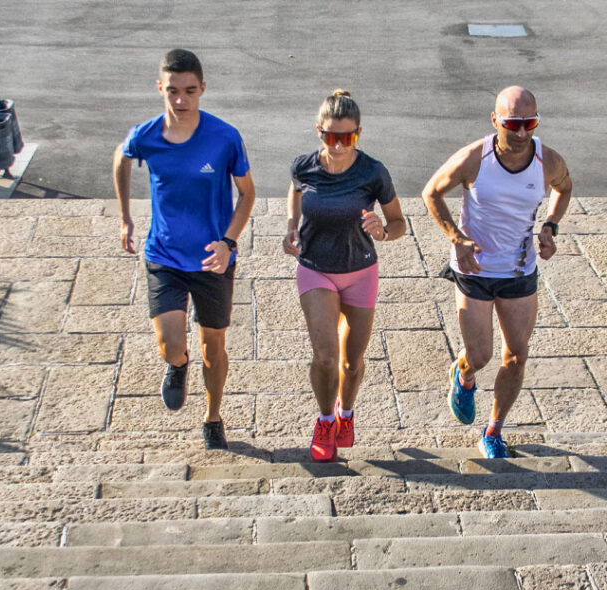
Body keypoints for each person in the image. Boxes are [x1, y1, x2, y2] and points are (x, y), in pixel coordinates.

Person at [112, 48, 255, 450]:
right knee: (170, 344)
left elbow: (246, 195)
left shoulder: (224, 138)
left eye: (190, 90)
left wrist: (229, 243)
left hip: (213, 260)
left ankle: (213, 416)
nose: (181, 100)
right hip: (164, 255)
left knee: (214, 346)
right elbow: (121, 160)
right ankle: (177, 366)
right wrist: (125, 216)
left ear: (202, 90)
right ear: (160, 87)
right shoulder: (146, 136)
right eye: (172, 90)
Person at [422, 86, 572, 459]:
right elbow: (431, 192)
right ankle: (464, 374)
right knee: (481, 354)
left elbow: (564, 188)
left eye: (530, 123)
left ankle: (494, 430)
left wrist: (550, 226)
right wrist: (456, 237)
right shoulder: (475, 158)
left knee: (516, 355)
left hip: (519, 270)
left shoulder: (547, 161)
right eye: (512, 124)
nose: (521, 133)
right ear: (495, 121)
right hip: (475, 269)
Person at [284, 90, 406, 462]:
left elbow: (400, 223)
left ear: (359, 134)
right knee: (325, 358)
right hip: (315, 269)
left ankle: (346, 413)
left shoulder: (372, 171)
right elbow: (296, 191)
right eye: (329, 136)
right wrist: (292, 227)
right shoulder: (303, 166)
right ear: (318, 131)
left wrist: (381, 230)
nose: (337, 145)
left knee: (353, 363)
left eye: (347, 137)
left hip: (360, 271)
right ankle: (324, 421)